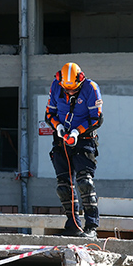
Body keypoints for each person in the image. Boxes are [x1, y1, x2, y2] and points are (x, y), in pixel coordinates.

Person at [45, 62, 104, 238]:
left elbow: (97, 119)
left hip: (84, 140)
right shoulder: (56, 86)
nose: (70, 92)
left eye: (73, 90)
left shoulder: (91, 88)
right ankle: (73, 225)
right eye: (67, 90)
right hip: (61, 140)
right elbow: (49, 114)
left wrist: (77, 131)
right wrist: (59, 128)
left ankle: (91, 226)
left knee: (85, 183)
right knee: (63, 185)